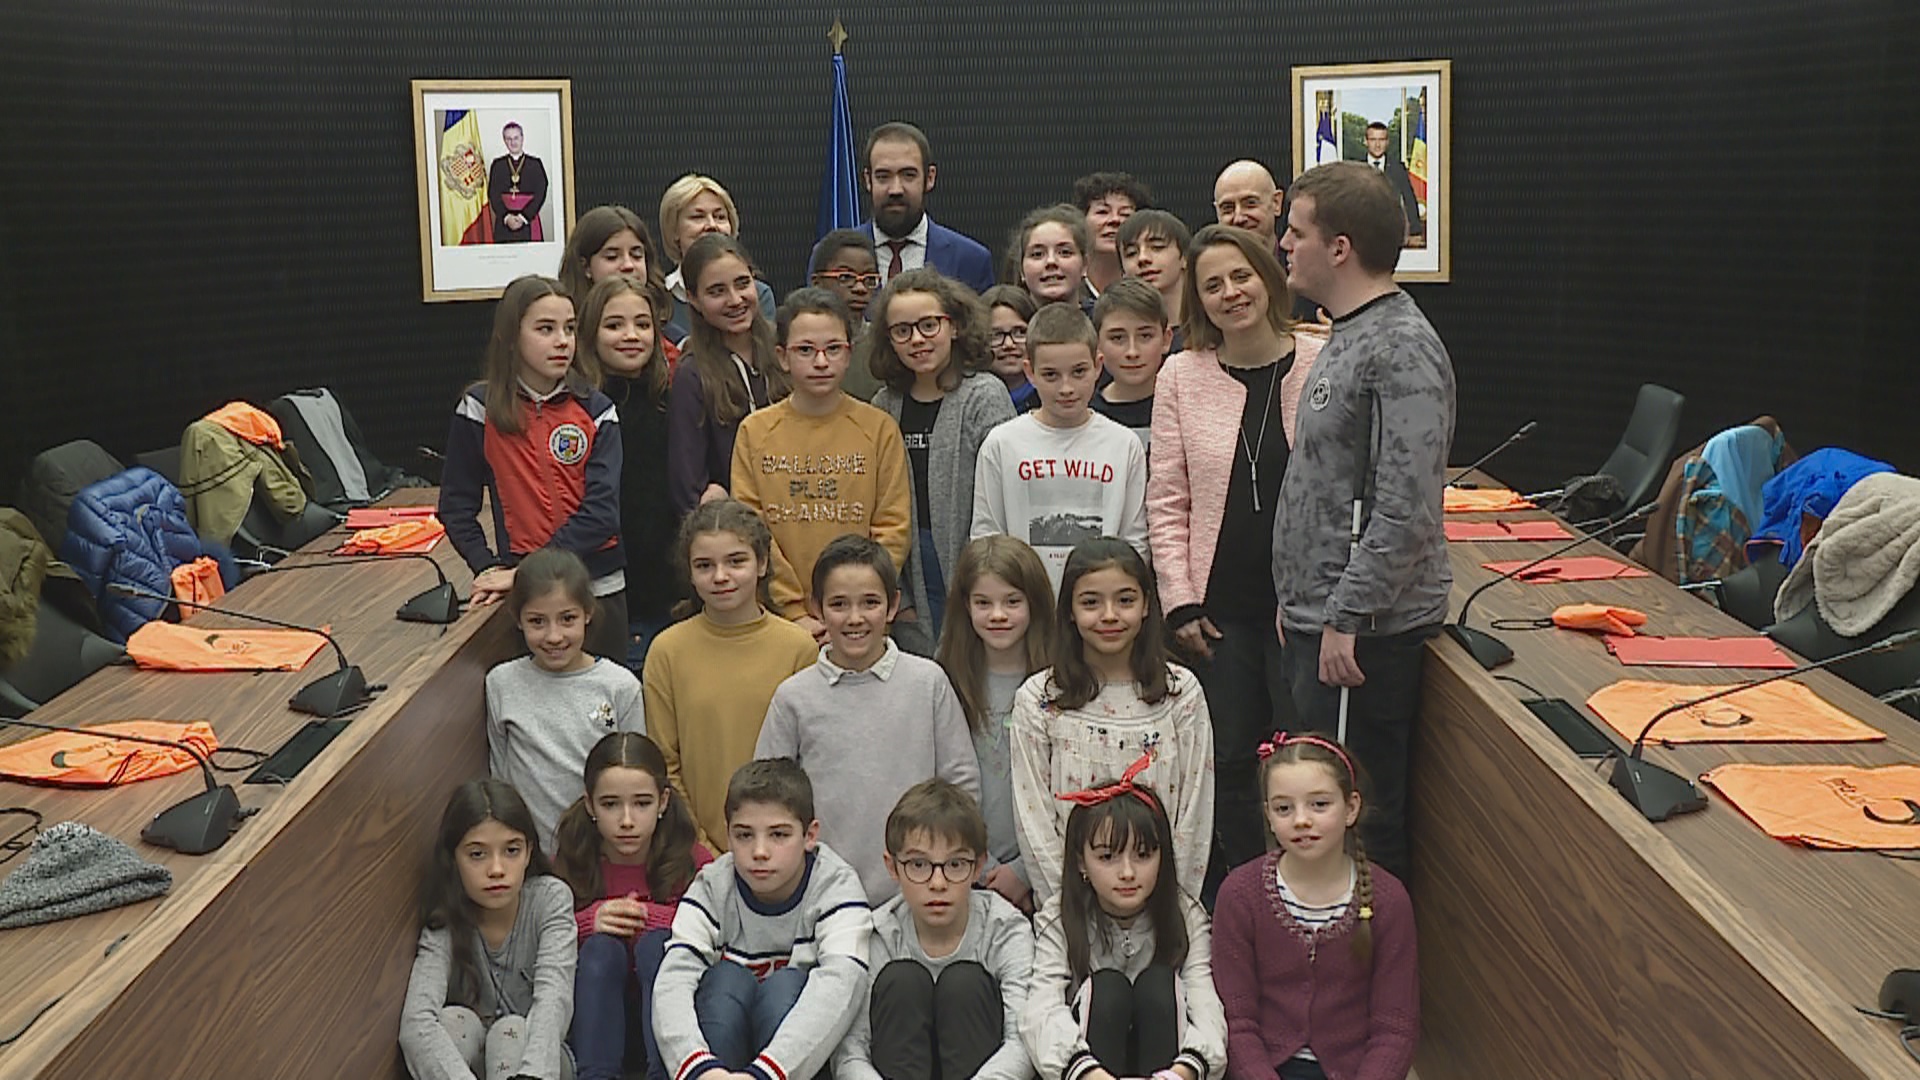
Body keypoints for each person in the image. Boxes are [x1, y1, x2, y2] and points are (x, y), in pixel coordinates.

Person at [1273, 161, 1456, 881]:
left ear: (1339, 247)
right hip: (1321, 624)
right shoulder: (1347, 333)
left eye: (1296, 230)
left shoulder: (1401, 348)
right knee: (1322, 826)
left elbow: (1407, 507)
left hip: (1360, 642)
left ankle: (1370, 989)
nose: (1284, 244)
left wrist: (1346, 612)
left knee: (1358, 828)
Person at [1148, 224, 1325, 877]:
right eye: (1212, 284)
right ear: (1197, 299)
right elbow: (1167, 500)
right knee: (1227, 762)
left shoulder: (1321, 361)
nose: (1230, 293)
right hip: (1216, 615)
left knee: (1301, 760)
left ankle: (1304, 889)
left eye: (1240, 276)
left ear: (1267, 276)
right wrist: (1180, 602)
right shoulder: (1180, 377)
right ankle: (1246, 891)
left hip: (1303, 612)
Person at [756, 535, 981, 903]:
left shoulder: (928, 683)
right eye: (839, 604)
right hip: (822, 898)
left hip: (920, 893)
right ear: (817, 607)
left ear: (893, 605)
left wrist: (944, 871)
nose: (855, 618)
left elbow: (962, 783)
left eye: (870, 603)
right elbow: (767, 799)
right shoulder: (794, 697)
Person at [1009, 539, 1214, 904]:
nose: (1109, 615)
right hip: (1072, 915)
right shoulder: (1038, 700)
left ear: (1147, 604)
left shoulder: (1181, 694)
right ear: (1069, 610)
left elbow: (1195, 813)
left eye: (1125, 600)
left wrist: (1173, 905)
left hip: (1164, 909)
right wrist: (1066, 908)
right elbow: (1034, 820)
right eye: (1090, 602)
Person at [439, 275, 628, 661]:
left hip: (598, 588)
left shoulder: (597, 409)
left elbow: (601, 514)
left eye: (570, 329)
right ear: (511, 336)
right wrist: (489, 568)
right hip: (528, 600)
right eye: (545, 328)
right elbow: (456, 507)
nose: (562, 341)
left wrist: (524, 571)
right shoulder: (479, 409)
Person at [651, 758, 874, 1080]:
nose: (760, 851)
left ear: (810, 836)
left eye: (778, 835)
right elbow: (673, 980)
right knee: (726, 981)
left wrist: (767, 1073)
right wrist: (696, 1065)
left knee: (787, 986)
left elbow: (842, 984)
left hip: (794, 1065)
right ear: (727, 835)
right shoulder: (713, 884)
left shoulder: (835, 885)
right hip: (720, 1061)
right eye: (744, 835)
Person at [1212, 733, 1418, 1080]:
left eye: (1319, 804)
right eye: (1283, 808)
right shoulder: (1240, 895)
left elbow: (1394, 1029)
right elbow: (1237, 1021)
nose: (1301, 820)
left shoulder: (1389, 899)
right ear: (1268, 815)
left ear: (1351, 808)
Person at [731, 288, 911, 638]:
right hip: (779, 622)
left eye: (833, 349)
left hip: (862, 622)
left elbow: (893, 527)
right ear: (782, 356)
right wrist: (795, 610)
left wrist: (852, 606)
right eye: (805, 350)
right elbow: (751, 530)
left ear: (849, 354)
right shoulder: (755, 431)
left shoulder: (879, 428)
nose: (821, 362)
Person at [1020, 777, 1226, 1080]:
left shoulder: (1186, 914)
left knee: (1159, 984)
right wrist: (1091, 1074)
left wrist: (1180, 1073)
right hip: (1087, 1069)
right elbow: (1041, 1011)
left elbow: (1206, 1008)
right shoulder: (1060, 915)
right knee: (1108, 990)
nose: (1127, 872)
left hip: (1169, 1069)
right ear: (1081, 862)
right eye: (1107, 857)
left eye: (1143, 855)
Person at [643, 500, 819, 852]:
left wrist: (780, 842)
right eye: (705, 565)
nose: (720, 576)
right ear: (690, 574)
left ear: (763, 563)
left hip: (782, 850)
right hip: (695, 852)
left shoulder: (798, 648)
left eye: (736, 561)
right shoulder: (667, 651)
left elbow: (812, 758)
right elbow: (665, 762)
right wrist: (700, 847)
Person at [834, 780, 1036, 1080]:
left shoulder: (1005, 928)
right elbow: (851, 1049)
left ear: (979, 865)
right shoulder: (881, 932)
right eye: (919, 864)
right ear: (892, 867)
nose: (938, 883)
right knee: (902, 980)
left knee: (964, 983)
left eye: (955, 864)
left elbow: (1022, 1040)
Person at [864, 268, 1017, 656]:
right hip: (910, 566)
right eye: (902, 330)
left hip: (973, 560)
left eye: (929, 325)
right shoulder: (884, 404)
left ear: (955, 326)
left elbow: (1003, 497)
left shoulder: (984, 394)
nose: (916, 339)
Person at [553, 733, 713, 1080]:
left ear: (663, 801)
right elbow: (538, 930)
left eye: (641, 803)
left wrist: (648, 919)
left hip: (675, 1022)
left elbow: (722, 927)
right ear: (590, 805)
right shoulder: (571, 860)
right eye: (610, 804)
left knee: (657, 946)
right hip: (596, 1024)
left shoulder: (693, 860)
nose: (627, 820)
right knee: (600, 948)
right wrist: (588, 922)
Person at [399, 779, 576, 1080]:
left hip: (539, 1063)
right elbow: (416, 1022)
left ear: (529, 853)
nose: (496, 869)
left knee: (510, 1029)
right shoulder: (446, 918)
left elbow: (553, 998)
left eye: (511, 850)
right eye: (477, 854)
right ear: (454, 859)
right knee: (453, 1021)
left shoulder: (549, 898)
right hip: (471, 1067)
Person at [970, 303, 1147, 592]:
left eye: (1078, 372)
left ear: (1098, 366)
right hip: (1026, 605)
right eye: (1051, 375)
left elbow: (1135, 541)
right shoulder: (1001, 444)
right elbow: (986, 538)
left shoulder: (1124, 444)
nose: (1066, 388)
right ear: (1030, 372)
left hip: (1101, 607)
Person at [486, 547, 647, 850]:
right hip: (534, 855)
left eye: (567, 619)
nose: (554, 636)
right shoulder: (501, 683)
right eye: (537, 622)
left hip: (601, 855)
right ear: (518, 619)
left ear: (587, 613)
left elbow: (636, 777)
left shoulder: (620, 686)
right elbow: (501, 775)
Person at [935, 534, 1057, 914]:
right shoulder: (943, 681)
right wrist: (978, 864)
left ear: (1034, 604)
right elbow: (940, 782)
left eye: (1012, 602)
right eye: (983, 603)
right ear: (964, 607)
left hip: (1045, 874)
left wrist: (1023, 871)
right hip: (964, 872)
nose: (998, 615)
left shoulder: (1063, 683)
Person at [578, 275, 678, 668]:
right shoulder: (581, 409)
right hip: (603, 586)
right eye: (614, 325)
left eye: (642, 324)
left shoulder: (668, 400)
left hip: (664, 586)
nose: (631, 335)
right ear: (590, 333)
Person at [667, 233, 787, 517]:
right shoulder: (692, 376)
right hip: (736, 533)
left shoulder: (788, 349)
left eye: (743, 284)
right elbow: (689, 488)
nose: (735, 300)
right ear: (693, 299)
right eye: (717, 291)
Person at [863, 121, 996, 293]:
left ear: (930, 178)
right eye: (883, 176)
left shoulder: (971, 260)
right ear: (868, 180)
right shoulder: (833, 256)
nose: (895, 189)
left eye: (908, 175)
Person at [657, 174, 778, 344]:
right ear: (674, 230)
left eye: (720, 216)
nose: (711, 225)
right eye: (697, 217)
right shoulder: (658, 298)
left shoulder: (759, 295)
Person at [1089, 278, 1172, 450]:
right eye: (1118, 338)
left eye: (1145, 336)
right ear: (1097, 344)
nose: (1132, 352)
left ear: (1166, 339)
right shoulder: (1085, 417)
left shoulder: (1184, 409)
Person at [808, 230, 886, 401]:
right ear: (817, 283)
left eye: (869, 279)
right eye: (846, 277)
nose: (860, 288)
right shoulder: (794, 343)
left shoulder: (883, 344)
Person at [559, 205, 670, 317]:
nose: (628, 265)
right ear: (585, 266)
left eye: (636, 255)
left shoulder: (670, 333)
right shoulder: (566, 330)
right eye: (612, 257)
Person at [1116, 210, 1192, 344]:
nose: (1143, 258)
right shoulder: (1115, 337)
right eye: (1131, 253)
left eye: (1157, 247)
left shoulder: (1213, 328)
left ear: (1185, 257)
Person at [1071, 172, 1153, 296]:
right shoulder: (1067, 287)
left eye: (1125, 214)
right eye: (1103, 212)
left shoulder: (1150, 288)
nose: (1115, 220)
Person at [1007, 205, 1092, 313]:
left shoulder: (1103, 322)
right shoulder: (1005, 324)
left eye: (1064, 252)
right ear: (1021, 270)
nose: (1051, 261)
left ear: (1085, 265)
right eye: (1037, 254)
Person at [980, 285, 1040, 414]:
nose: (1008, 344)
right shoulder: (971, 400)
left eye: (1020, 332)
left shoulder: (1051, 396)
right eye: (996, 335)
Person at [1361, 122, 1424, 243]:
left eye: (1381, 140)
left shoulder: (1398, 169)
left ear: (1387, 142)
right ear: (1366, 141)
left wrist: (1415, 231)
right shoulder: (1356, 167)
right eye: (1373, 139)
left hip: (1391, 233)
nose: (1377, 145)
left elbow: (1409, 199)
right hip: (1362, 232)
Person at [488, 122, 548, 244]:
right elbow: (493, 193)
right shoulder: (498, 164)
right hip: (504, 221)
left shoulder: (535, 164)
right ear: (504, 140)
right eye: (508, 139)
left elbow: (541, 192)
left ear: (522, 138)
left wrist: (524, 217)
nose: (513, 142)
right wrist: (506, 217)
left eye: (516, 138)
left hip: (528, 220)